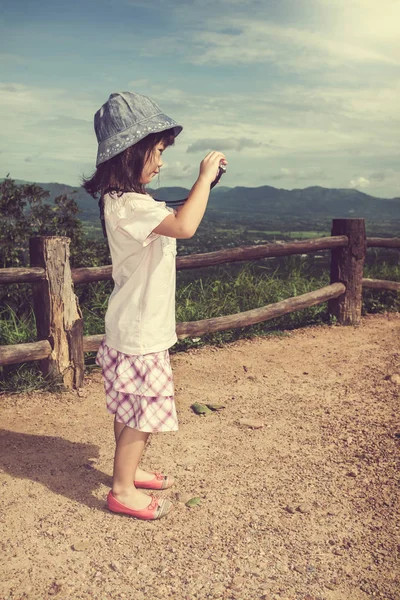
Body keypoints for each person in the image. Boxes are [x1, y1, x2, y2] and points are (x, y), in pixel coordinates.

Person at [83, 91, 227, 520]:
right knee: (142, 412)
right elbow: (185, 225)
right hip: (140, 332)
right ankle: (122, 489)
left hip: (135, 327)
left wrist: (204, 188)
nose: (162, 162)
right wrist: (202, 180)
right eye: (158, 151)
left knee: (130, 408)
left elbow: (172, 216)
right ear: (131, 152)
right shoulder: (129, 205)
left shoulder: (125, 201)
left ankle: (128, 472)